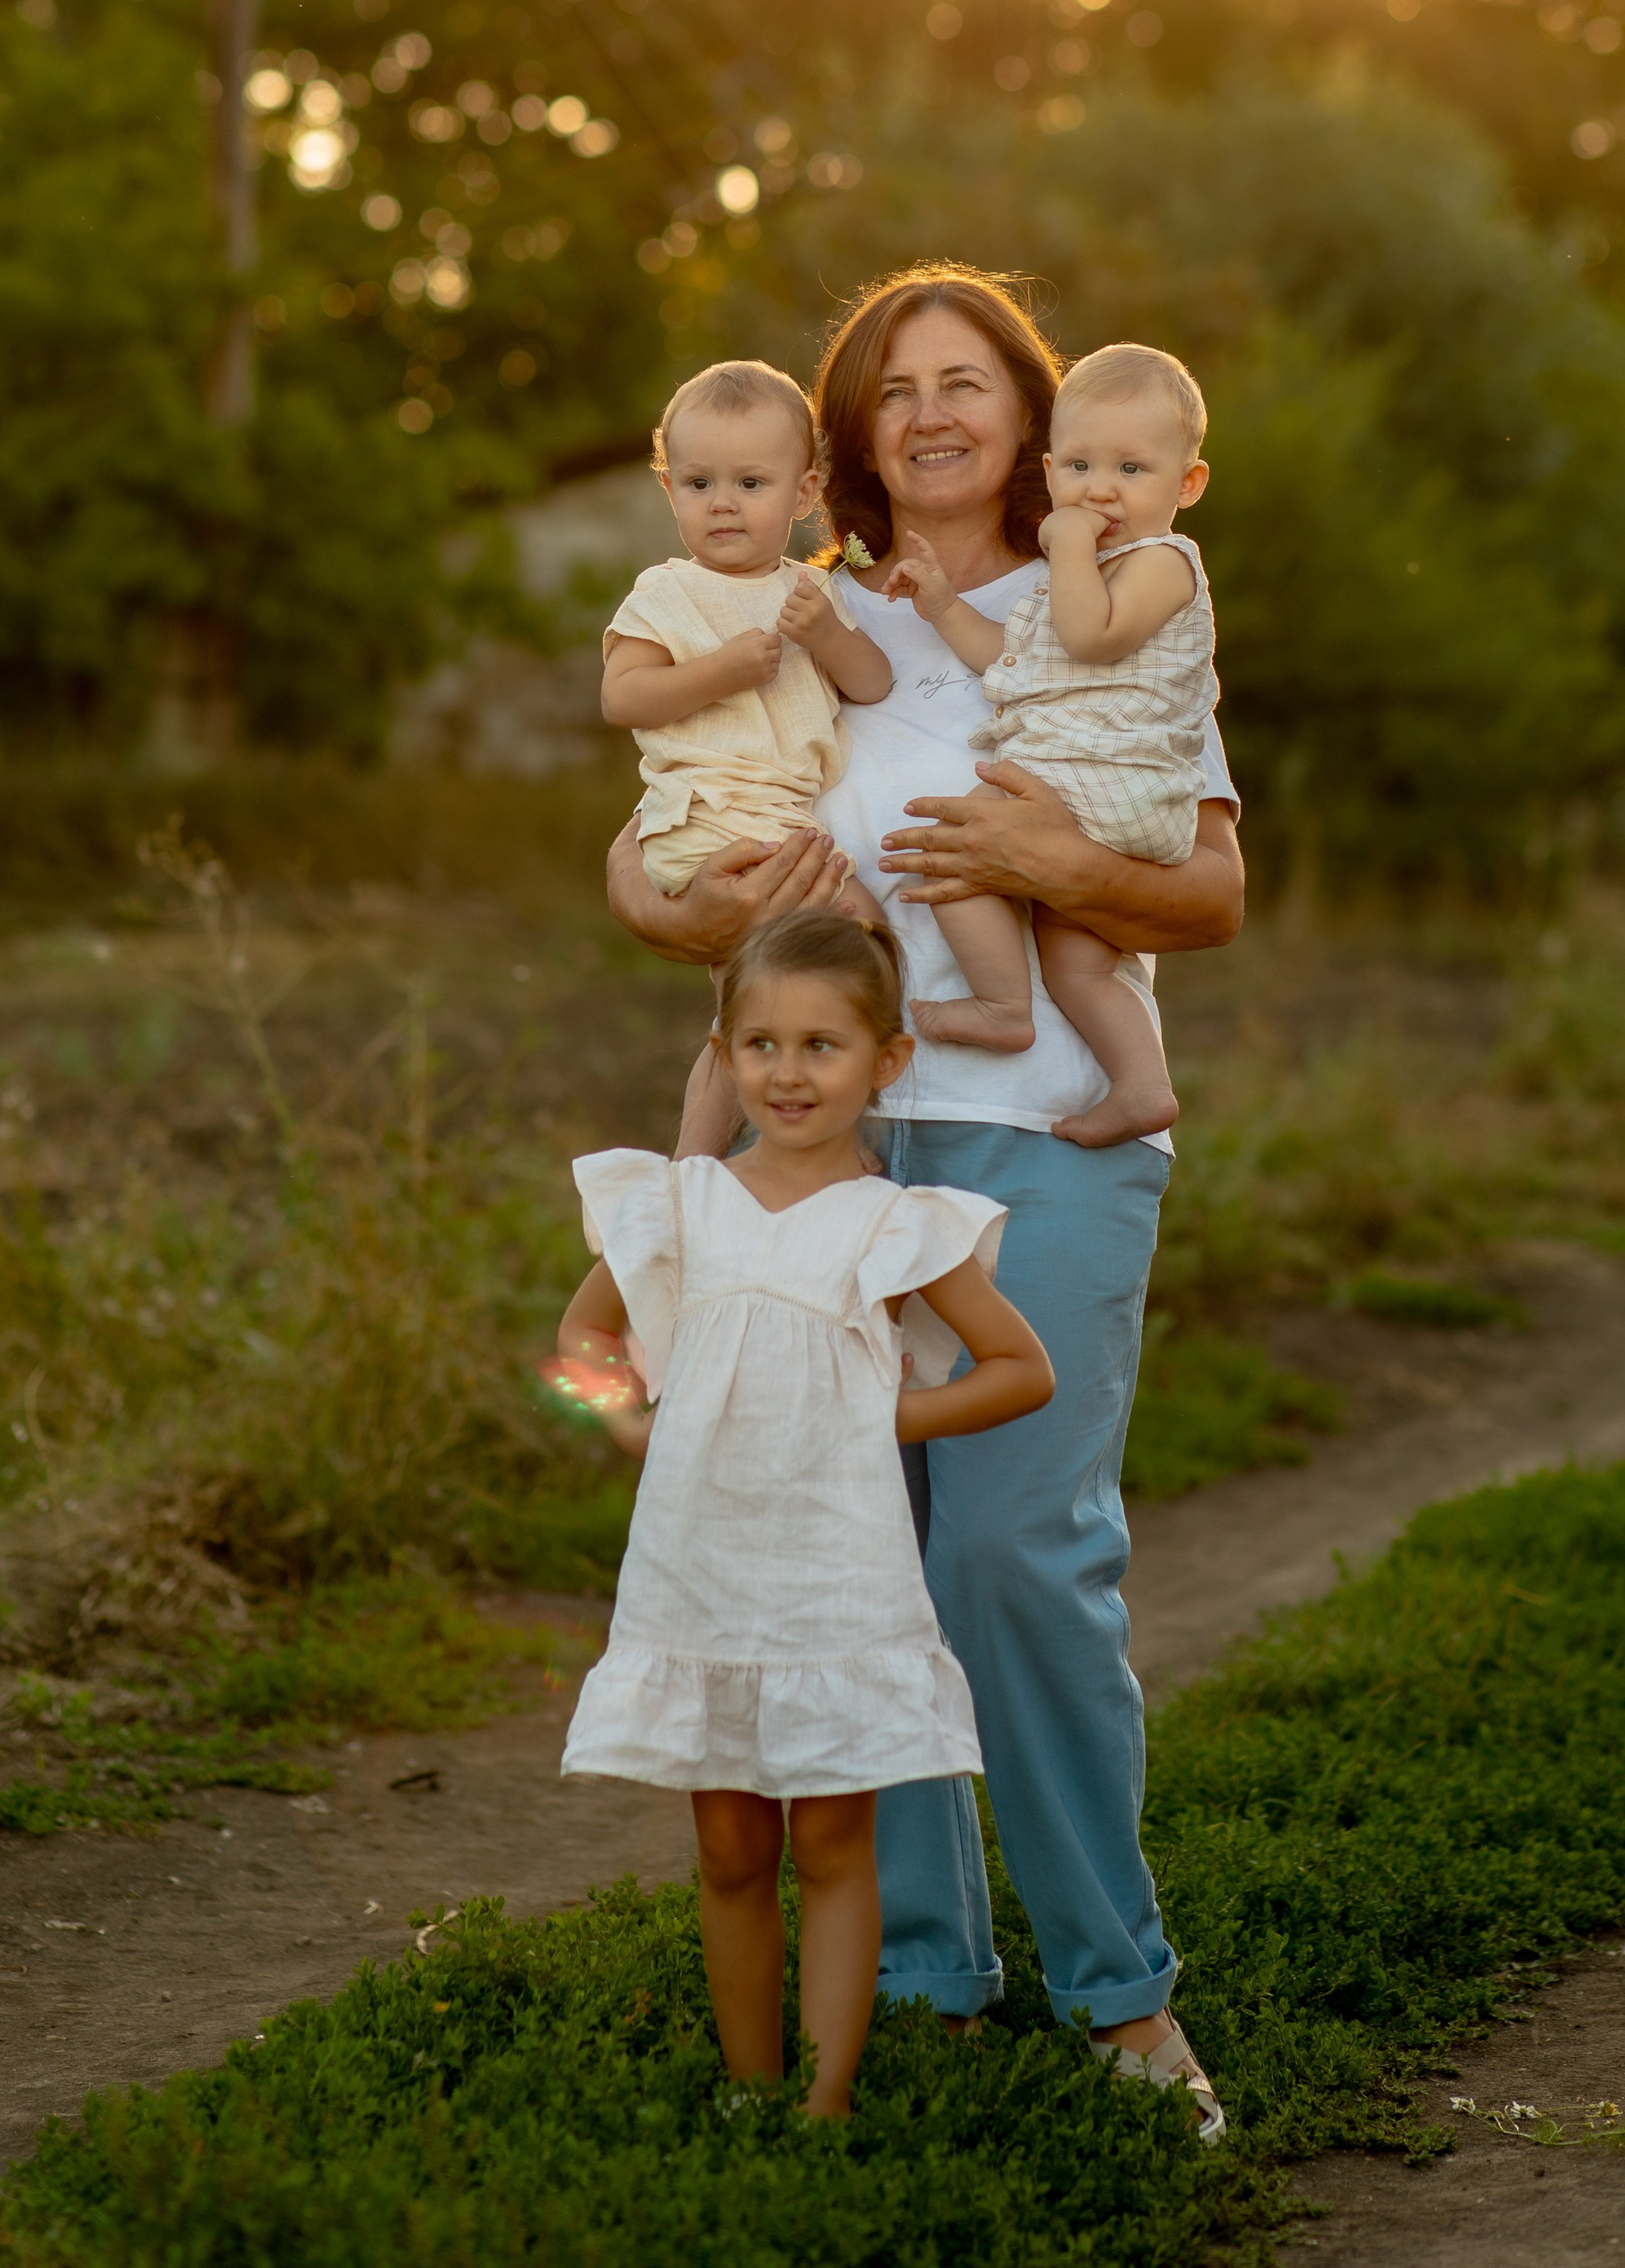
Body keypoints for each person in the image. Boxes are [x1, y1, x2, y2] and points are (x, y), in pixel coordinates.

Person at [606, 263, 1243, 2141]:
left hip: (1050, 1135)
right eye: (897, 388)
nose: (935, 411)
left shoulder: (1111, 592)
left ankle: (1119, 1991)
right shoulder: (797, 607)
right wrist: (700, 906)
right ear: (848, 435)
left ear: (1029, 412)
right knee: (847, 1559)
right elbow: (646, 859)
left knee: (1011, 1556)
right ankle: (917, 1976)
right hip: (833, 1151)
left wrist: (1043, 853)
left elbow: (1207, 891)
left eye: (968, 379)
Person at [554, 908, 1054, 2119]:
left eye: (822, 1045)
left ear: (887, 1059)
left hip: (837, 1574)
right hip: (701, 1567)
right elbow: (581, 1338)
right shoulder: (679, 1205)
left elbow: (1020, 1370)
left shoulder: (896, 1225)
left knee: (832, 1845)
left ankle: (823, 2107)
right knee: (731, 1850)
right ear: (723, 1054)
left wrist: (882, 1415)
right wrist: (627, 1423)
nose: (787, 1073)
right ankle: (751, 2089)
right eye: (761, 1044)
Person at [604, 353, 1055, 1041]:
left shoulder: (812, 590)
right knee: (775, 969)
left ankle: (875, 1044)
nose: (722, 502)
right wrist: (722, 671)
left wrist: (827, 636)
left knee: (851, 937)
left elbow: (871, 683)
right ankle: (770, 1061)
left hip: (787, 823)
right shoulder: (667, 591)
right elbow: (623, 697)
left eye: (750, 482)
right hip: (713, 815)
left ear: (804, 491)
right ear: (670, 489)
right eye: (698, 483)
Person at [888, 340, 1215, 1145]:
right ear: (1048, 470)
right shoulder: (1070, 580)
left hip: (1106, 779)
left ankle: (1002, 1007)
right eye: (1078, 467)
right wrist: (942, 606)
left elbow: (1090, 637)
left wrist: (1066, 548)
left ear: (1187, 484)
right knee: (1078, 958)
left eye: (1131, 469)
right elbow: (1013, 661)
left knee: (954, 849)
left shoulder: (1164, 562)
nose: (1099, 489)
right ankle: (1143, 1085)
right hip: (1104, 797)